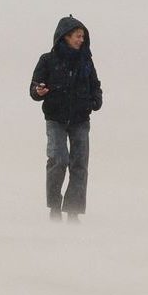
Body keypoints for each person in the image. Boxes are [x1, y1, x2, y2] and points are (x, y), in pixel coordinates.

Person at [29, 15, 102, 222]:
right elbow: (34, 88)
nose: (81, 40)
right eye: (78, 36)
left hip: (80, 120)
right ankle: (54, 207)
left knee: (79, 164)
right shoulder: (47, 60)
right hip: (55, 119)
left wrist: (96, 101)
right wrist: (38, 91)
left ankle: (73, 212)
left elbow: (95, 85)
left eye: (83, 37)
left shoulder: (86, 62)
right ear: (65, 37)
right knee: (58, 160)